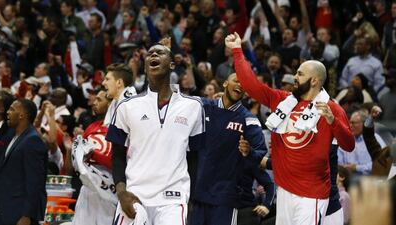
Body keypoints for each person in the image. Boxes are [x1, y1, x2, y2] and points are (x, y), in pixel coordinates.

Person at [225, 32, 355, 225]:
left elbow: (349, 145)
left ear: (314, 81)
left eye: (300, 74)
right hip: (284, 190)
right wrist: (237, 50)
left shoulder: (331, 109)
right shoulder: (283, 100)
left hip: (312, 194)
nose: (295, 77)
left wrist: (331, 120)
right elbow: (251, 86)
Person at [106, 43, 205, 224]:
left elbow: (194, 157)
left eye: (160, 52)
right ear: (145, 66)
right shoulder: (126, 106)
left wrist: (190, 198)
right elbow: (117, 155)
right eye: (150, 53)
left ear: (172, 64)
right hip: (133, 195)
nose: (153, 55)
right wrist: (121, 192)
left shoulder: (194, 107)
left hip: (173, 198)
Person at [190, 73, 267, 225]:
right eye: (237, 81)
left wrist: (248, 152)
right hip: (199, 192)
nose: (240, 85)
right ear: (225, 83)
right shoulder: (204, 107)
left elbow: (261, 153)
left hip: (226, 196)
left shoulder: (249, 120)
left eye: (244, 84)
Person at [0, 99, 48, 225]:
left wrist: (27, 215)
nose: (8, 112)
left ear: (22, 115)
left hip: (19, 213)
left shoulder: (32, 140)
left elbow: (34, 182)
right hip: (6, 209)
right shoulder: (13, 136)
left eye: (12, 109)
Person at [71, 89, 116, 225]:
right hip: (88, 188)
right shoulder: (91, 127)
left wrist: (94, 154)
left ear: (110, 103)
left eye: (99, 100)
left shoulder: (119, 128)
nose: (94, 103)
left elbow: (119, 162)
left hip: (109, 187)